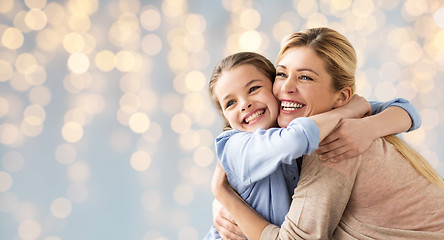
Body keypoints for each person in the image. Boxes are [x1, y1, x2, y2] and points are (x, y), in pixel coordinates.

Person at [211, 27, 444, 240]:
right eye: (282, 74)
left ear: (341, 97)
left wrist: (226, 197)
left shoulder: (337, 143)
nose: (287, 88)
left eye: (305, 77)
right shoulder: (334, 122)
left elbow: (405, 109)